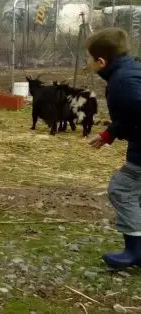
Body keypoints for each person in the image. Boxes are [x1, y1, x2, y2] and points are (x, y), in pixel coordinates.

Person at [87, 27, 141, 269]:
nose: (87, 63)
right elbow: (131, 114)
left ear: (101, 61)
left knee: (122, 189)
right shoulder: (130, 71)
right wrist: (109, 134)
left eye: (88, 58)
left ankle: (135, 252)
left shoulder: (122, 82)